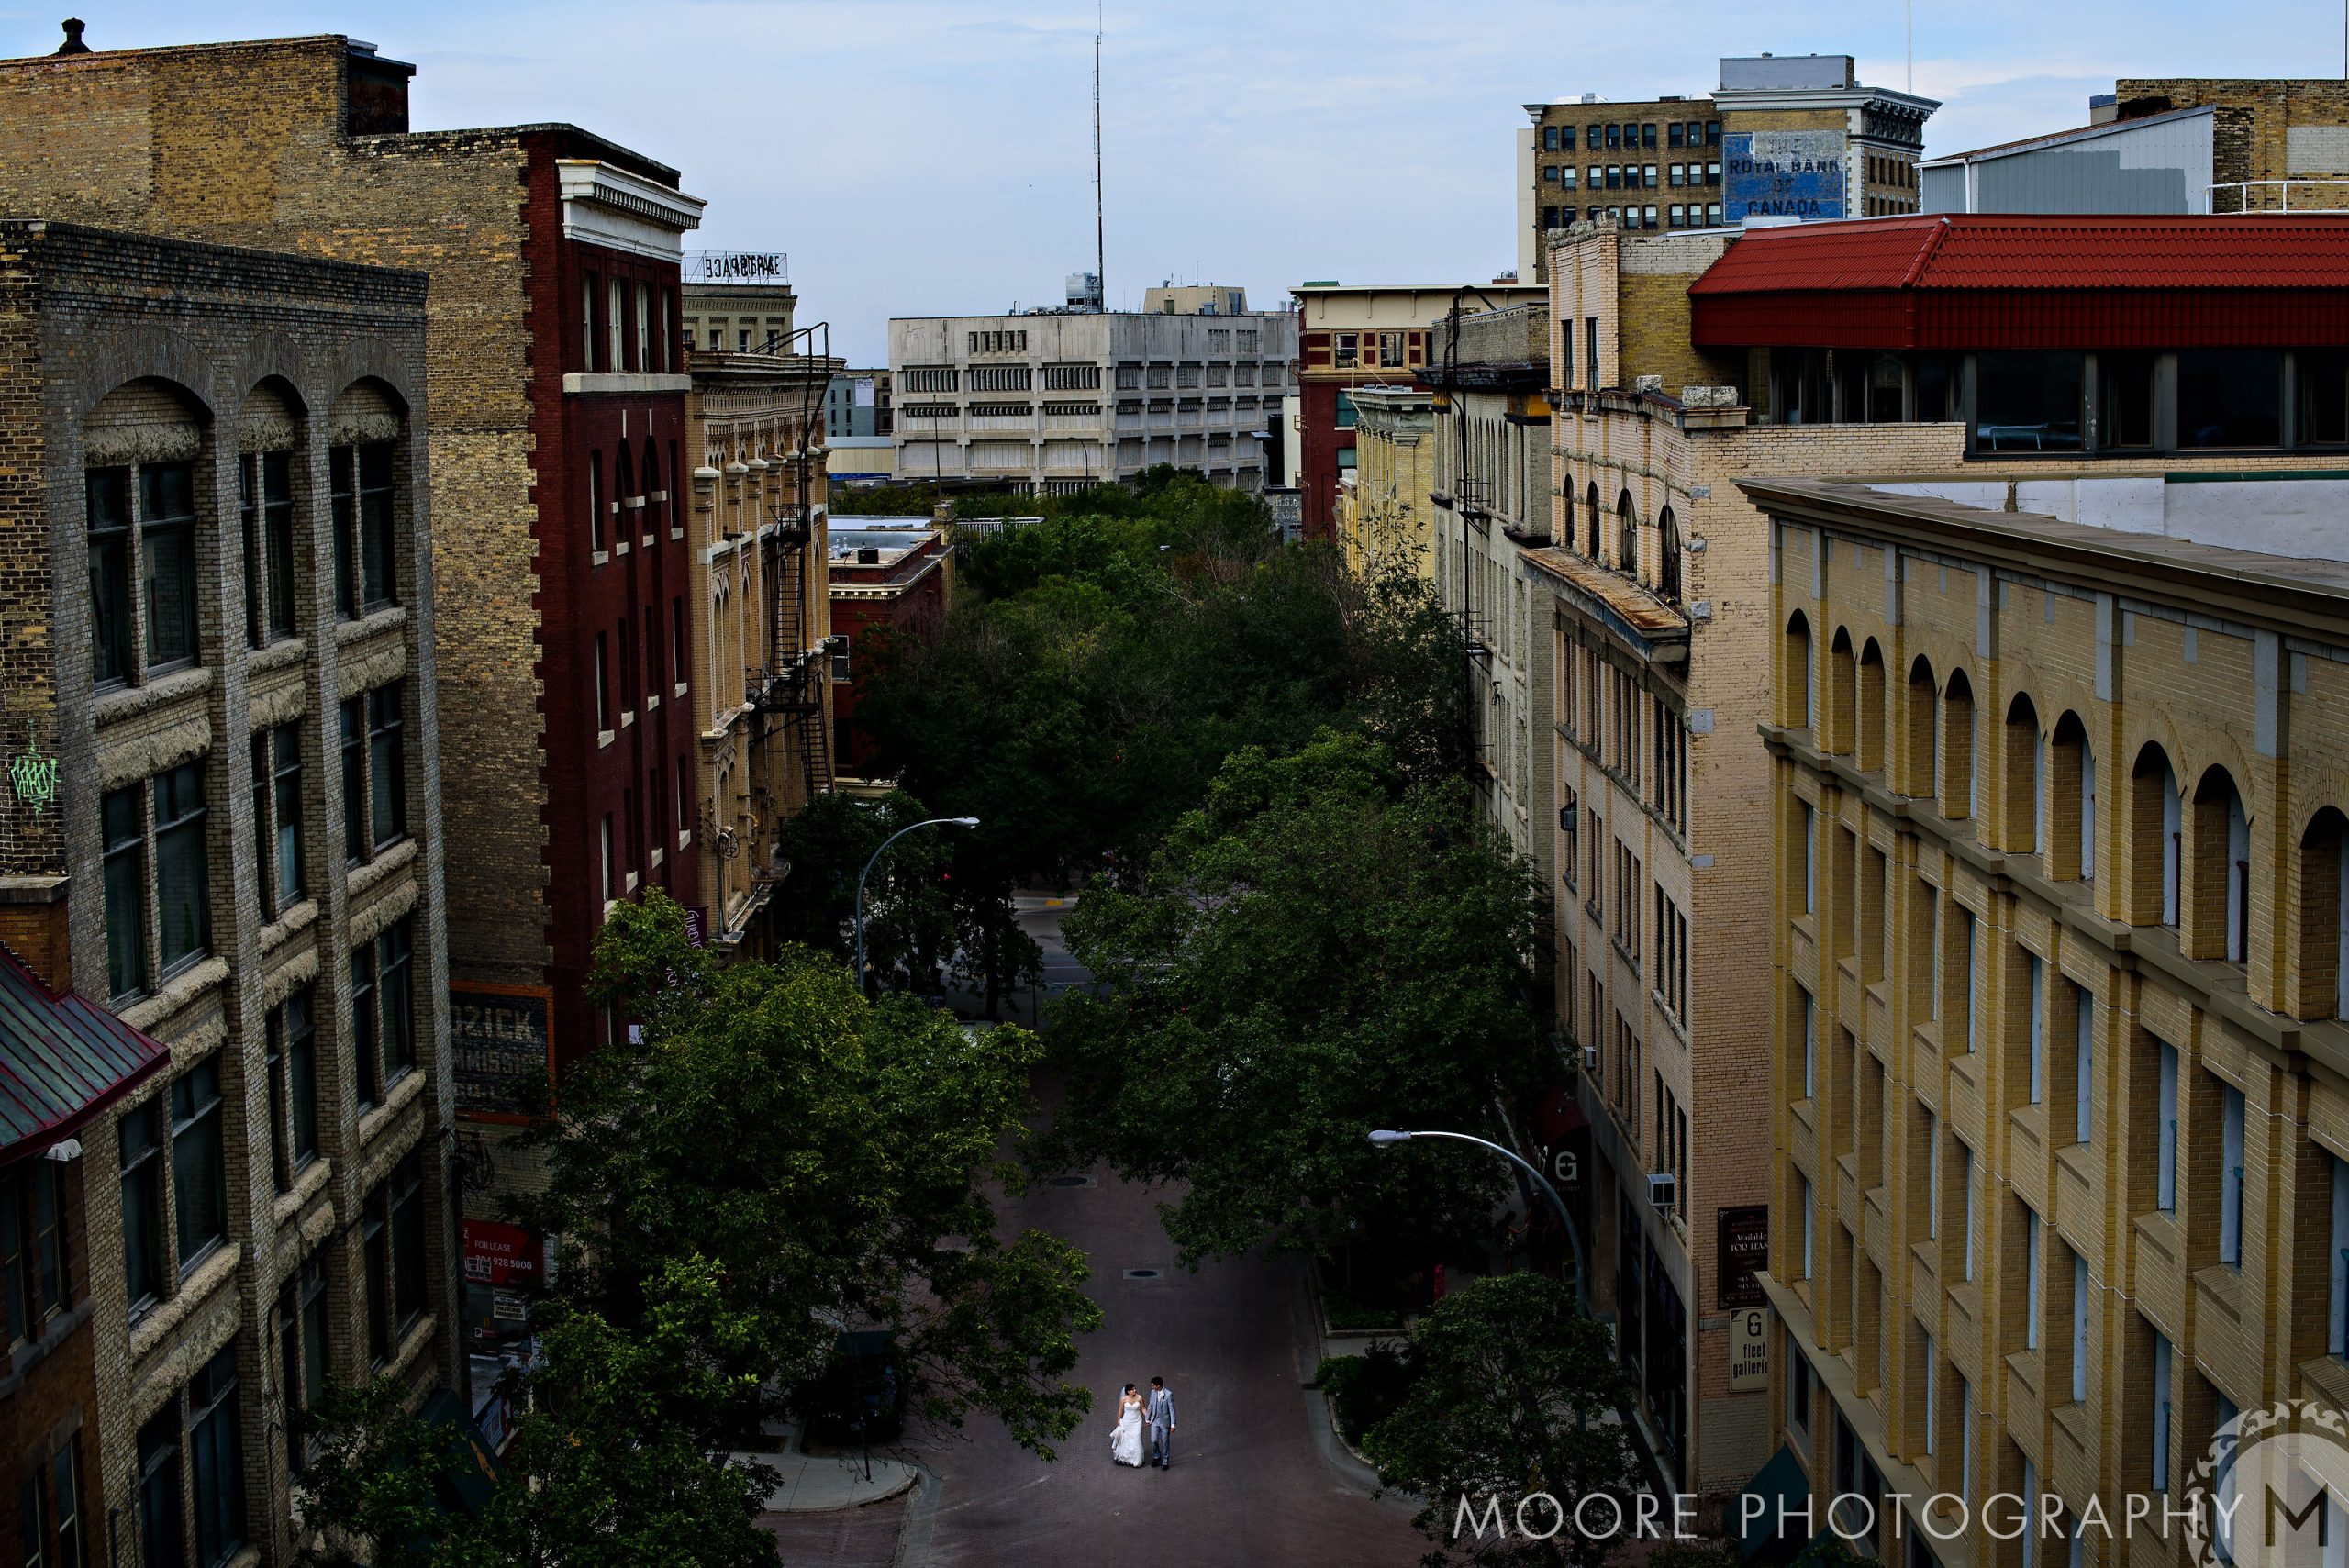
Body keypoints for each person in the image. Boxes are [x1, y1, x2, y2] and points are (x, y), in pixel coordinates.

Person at [1110, 1383, 1146, 1467]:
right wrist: (1118, 1420)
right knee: (1127, 1439)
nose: (1135, 1390)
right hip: (1127, 1422)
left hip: (1137, 1422)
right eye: (1133, 1390)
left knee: (1136, 1439)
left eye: (1135, 1389)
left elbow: (1143, 1408)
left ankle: (1136, 1460)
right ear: (1128, 1391)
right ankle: (1128, 1458)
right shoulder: (1123, 1399)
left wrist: (1147, 1418)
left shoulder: (1139, 1397)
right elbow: (1120, 1410)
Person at [1146, 1376, 1176, 1470]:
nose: (1152, 1387)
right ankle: (1157, 1456)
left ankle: (1165, 1460)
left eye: (1153, 1385)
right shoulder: (1153, 1392)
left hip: (1165, 1422)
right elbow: (1150, 1405)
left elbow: (1172, 1410)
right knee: (1154, 1439)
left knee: (1165, 1442)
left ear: (1158, 1385)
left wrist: (1173, 1424)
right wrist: (1147, 1418)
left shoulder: (1168, 1394)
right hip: (1155, 1420)